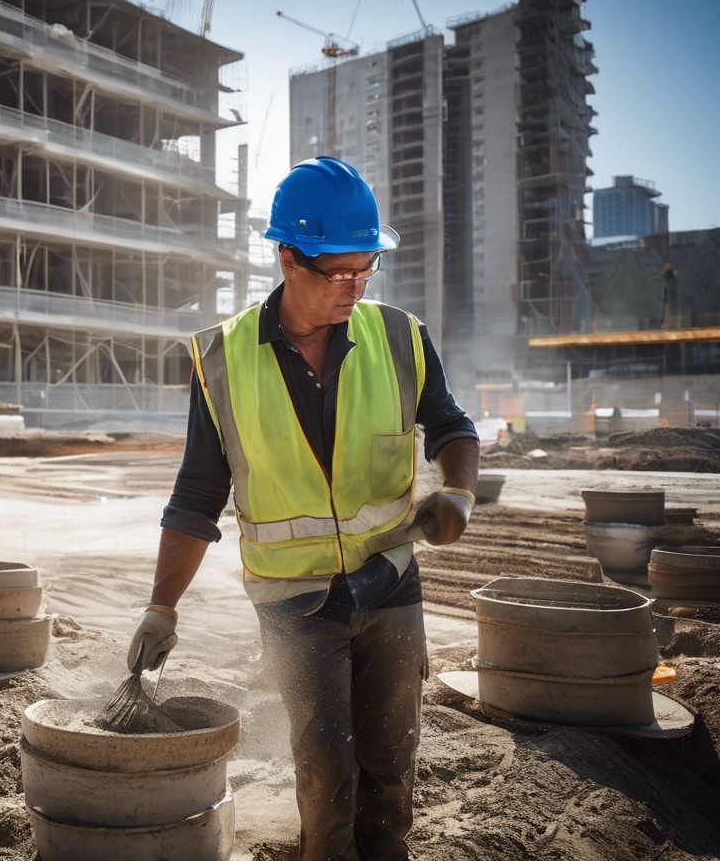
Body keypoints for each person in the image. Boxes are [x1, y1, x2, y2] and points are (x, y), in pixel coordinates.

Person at [125, 157, 479, 861]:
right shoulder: (222, 360)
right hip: (291, 604)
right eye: (337, 272)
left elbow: (451, 425)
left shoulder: (400, 337)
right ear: (287, 257)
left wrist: (459, 493)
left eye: (366, 268)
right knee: (327, 774)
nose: (354, 286)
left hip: (390, 585)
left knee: (391, 771)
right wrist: (162, 607)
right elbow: (198, 495)